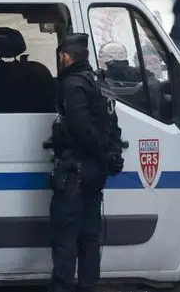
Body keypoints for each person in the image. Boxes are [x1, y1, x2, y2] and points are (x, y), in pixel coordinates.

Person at [49, 33, 118, 292]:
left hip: (75, 170)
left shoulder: (74, 85)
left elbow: (80, 129)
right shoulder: (99, 82)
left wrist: (100, 154)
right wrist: (110, 157)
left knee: (66, 235)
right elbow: (112, 124)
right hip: (94, 171)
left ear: (65, 56)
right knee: (89, 236)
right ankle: (89, 286)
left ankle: (63, 287)